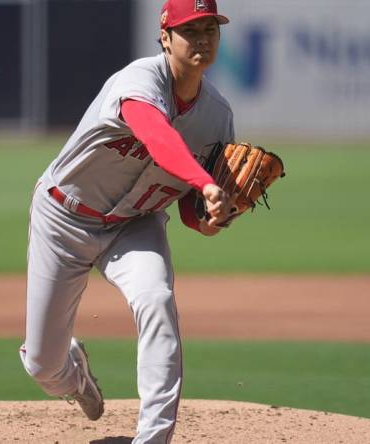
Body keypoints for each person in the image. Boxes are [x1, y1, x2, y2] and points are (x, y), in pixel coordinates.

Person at [18, 0, 234, 443]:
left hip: (134, 224)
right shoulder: (138, 80)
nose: (203, 39)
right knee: (43, 365)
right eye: (191, 29)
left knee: (156, 298)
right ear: (165, 35)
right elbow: (157, 136)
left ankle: (153, 438)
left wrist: (211, 217)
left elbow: (193, 211)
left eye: (210, 28)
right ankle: (74, 377)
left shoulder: (218, 117)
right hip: (63, 217)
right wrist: (203, 180)